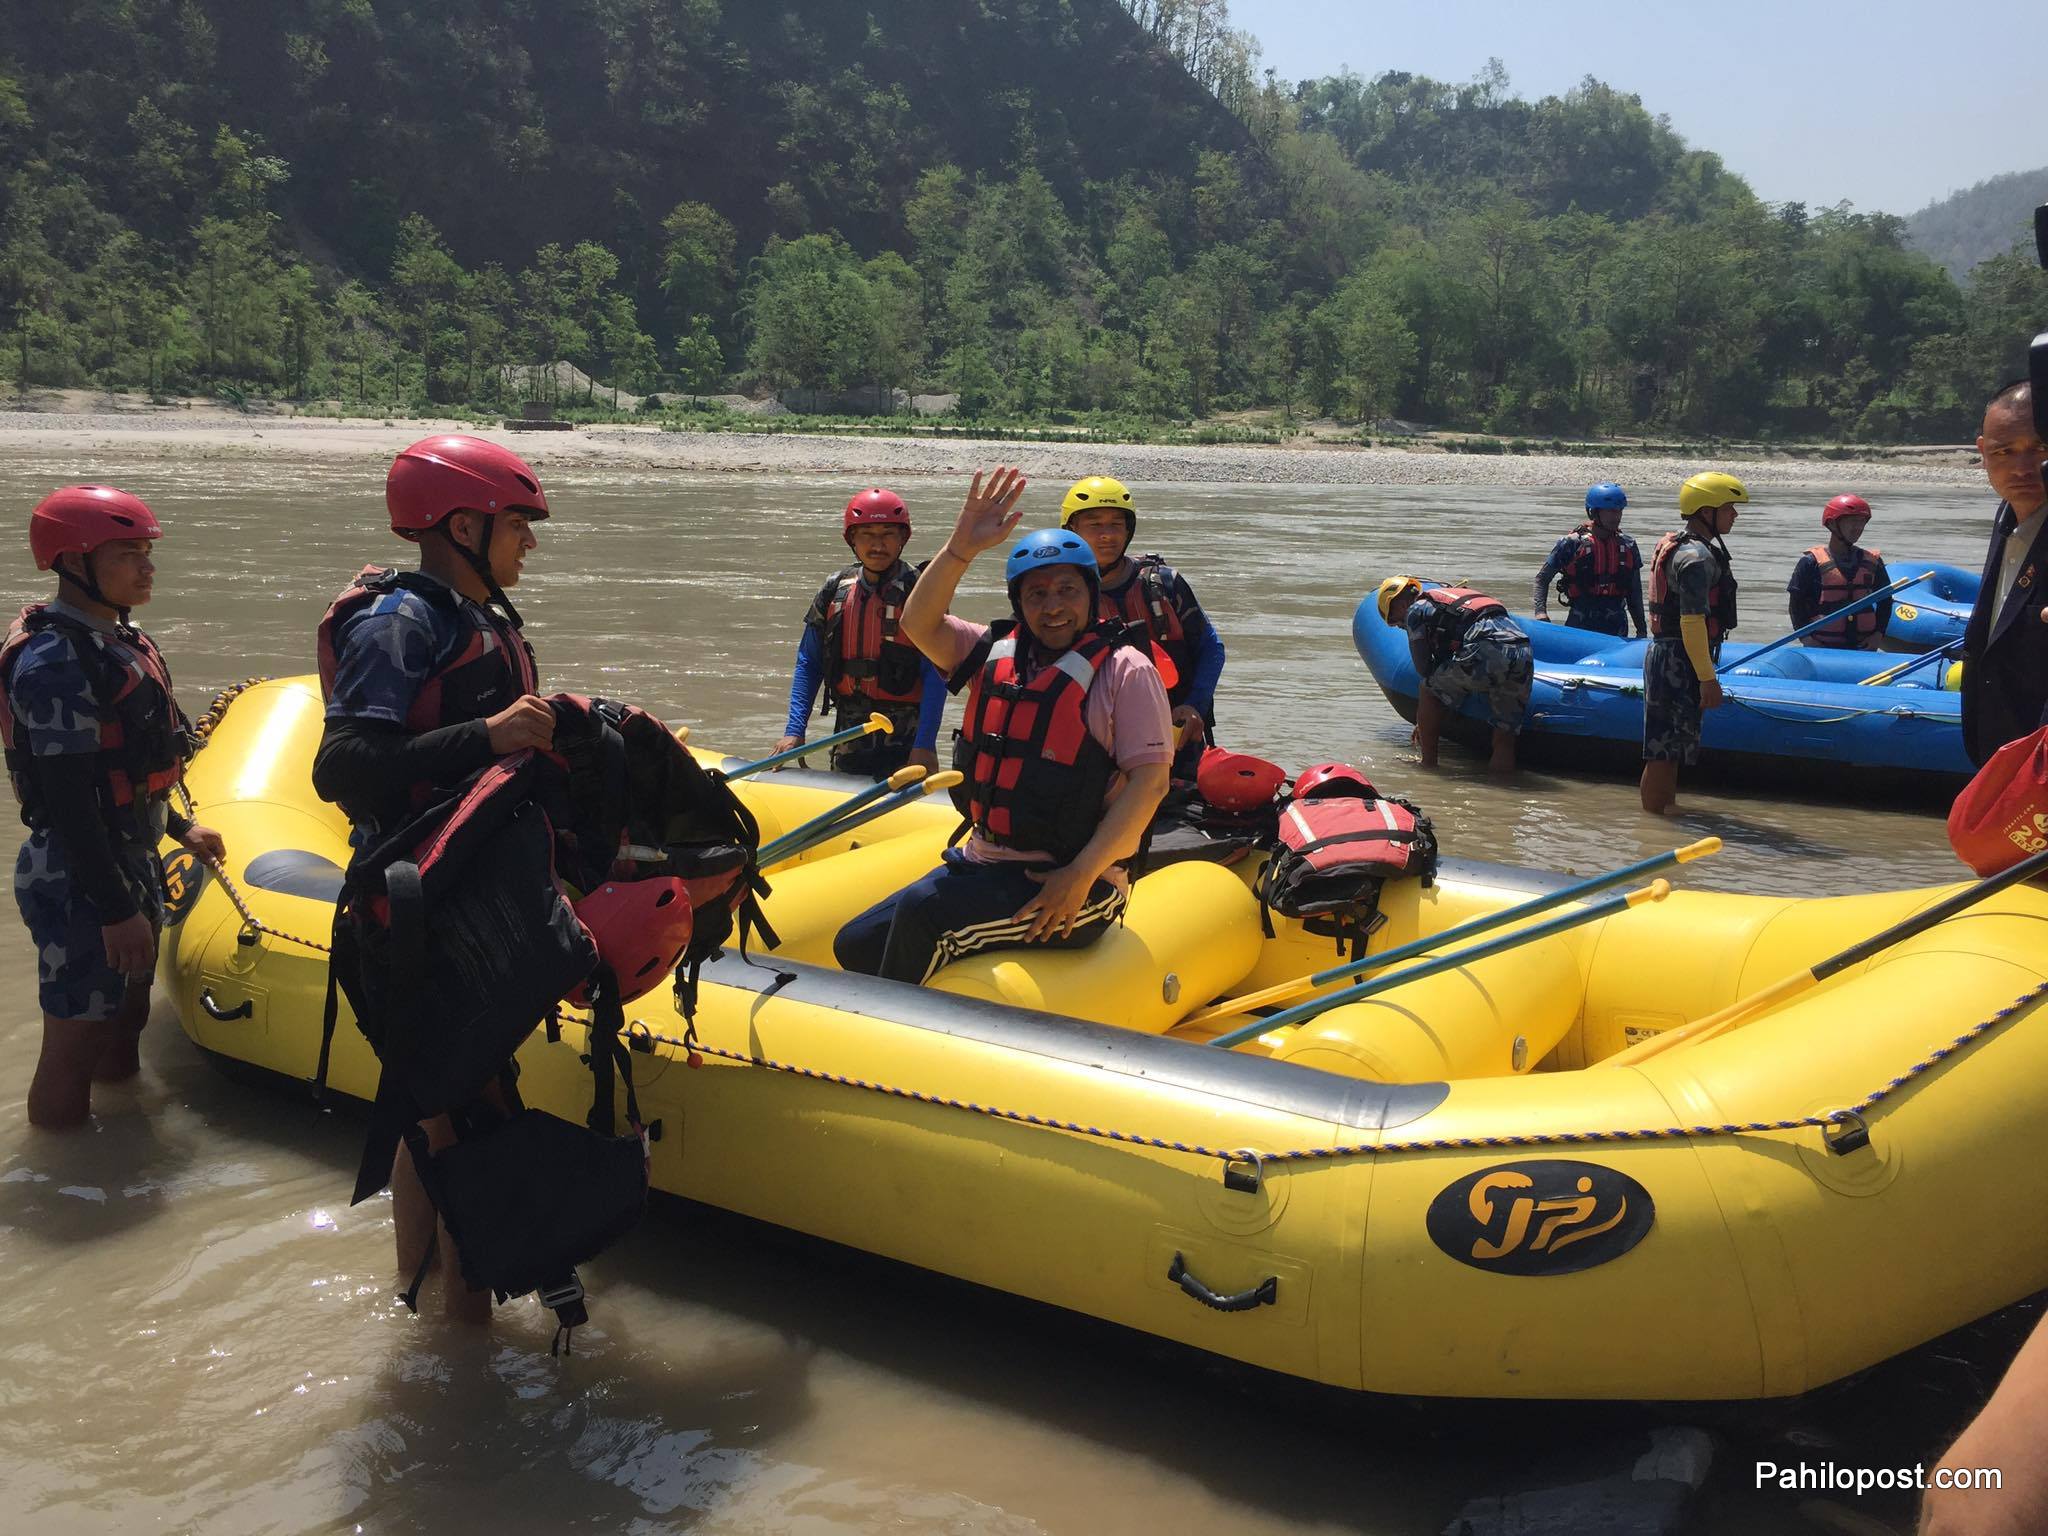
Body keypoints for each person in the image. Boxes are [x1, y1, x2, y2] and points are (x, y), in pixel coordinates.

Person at [313, 434, 556, 1323]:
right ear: (463, 524)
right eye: (517, 526)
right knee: (466, 1116)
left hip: (464, 894)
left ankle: (420, 1312)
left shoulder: (473, 617)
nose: (527, 544)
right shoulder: (402, 620)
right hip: (417, 910)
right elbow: (343, 766)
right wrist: (488, 738)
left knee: (436, 1109)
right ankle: (466, 1338)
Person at [834, 469, 1174, 985]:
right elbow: (918, 624)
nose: (1053, 605)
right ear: (1019, 604)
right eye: (1036, 595)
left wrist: (1078, 878)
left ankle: (882, 1052)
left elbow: (1151, 783)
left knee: (924, 912)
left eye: (1066, 589)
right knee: (854, 943)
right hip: (986, 862)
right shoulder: (995, 653)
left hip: (1076, 884)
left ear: (1091, 594)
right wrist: (960, 549)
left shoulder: (1126, 669)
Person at [2, 486, 222, 1129]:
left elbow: (121, 775)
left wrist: (180, 828)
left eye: (147, 552)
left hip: (129, 853)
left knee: (124, 1021)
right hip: (80, 874)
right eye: (129, 554)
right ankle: (66, 1171)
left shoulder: (120, 641)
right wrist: (116, 908)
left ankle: (124, 1137)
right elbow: (70, 802)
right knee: (73, 1047)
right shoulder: (54, 660)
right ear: (74, 562)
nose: (147, 567)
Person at [773, 488, 945, 779]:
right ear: (851, 539)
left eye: (888, 534)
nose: (878, 544)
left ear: (903, 538)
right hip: (850, 730)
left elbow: (936, 672)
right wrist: (794, 732)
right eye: (867, 534)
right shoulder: (834, 590)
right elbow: (809, 662)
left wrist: (925, 745)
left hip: (908, 734)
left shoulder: (922, 591)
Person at [1060, 475, 1224, 777]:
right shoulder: (1059, 594)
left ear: (1129, 530)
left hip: (1177, 739)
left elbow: (1211, 648)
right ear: (1072, 530)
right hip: (1098, 746)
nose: (1106, 535)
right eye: (1094, 524)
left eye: (1116, 524)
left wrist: (1194, 706)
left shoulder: (1164, 584)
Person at [1640, 472, 1748, 814]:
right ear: (1706, 511)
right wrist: (1707, 677)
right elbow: (1691, 621)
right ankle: (1657, 819)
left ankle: (1662, 817)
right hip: (1677, 656)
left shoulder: (1690, 549)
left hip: (1673, 653)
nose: (1735, 514)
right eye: (1729, 507)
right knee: (1663, 748)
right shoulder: (1696, 558)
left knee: (1669, 746)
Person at [1960, 380, 2048, 766]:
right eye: (2004, 451)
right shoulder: (2006, 516)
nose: (2022, 468)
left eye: (2040, 448)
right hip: (2000, 767)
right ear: (1982, 452)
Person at [1377, 576, 1532, 773]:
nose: (1399, 625)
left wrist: (1424, 719)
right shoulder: (1453, 599)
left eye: (1394, 620)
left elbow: (1424, 668)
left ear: (1399, 603)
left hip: (1487, 647)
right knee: (1505, 734)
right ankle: (1502, 786)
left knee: (1428, 690)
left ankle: (1428, 766)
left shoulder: (1416, 610)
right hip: (1523, 651)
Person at [1532, 483, 1646, 638]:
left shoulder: (1628, 545)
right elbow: (1542, 579)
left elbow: (1635, 593)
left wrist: (1641, 630)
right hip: (1580, 623)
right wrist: (1540, 613)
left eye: (1619, 511)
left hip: (1617, 627)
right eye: (1611, 511)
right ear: (1594, 512)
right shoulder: (1572, 543)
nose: (1617, 516)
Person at [1787, 493, 1891, 648]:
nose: (1858, 528)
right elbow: (1796, 605)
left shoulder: (1873, 562)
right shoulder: (1809, 563)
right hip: (1821, 645)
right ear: (1833, 524)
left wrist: (1878, 634)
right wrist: (1806, 638)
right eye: (1852, 522)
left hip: (1862, 646)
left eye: (1862, 522)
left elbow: (1886, 601)